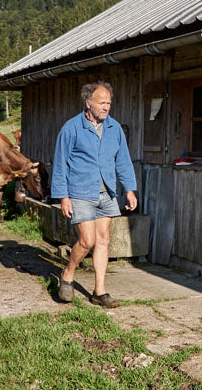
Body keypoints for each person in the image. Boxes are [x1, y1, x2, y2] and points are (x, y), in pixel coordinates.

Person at [51, 81, 137, 308]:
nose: (106, 107)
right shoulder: (71, 128)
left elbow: (123, 161)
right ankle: (68, 273)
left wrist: (129, 189)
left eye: (108, 102)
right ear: (88, 103)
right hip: (80, 192)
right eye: (101, 102)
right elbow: (60, 164)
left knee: (103, 240)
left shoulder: (114, 128)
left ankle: (99, 291)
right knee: (87, 240)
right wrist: (63, 196)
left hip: (107, 193)